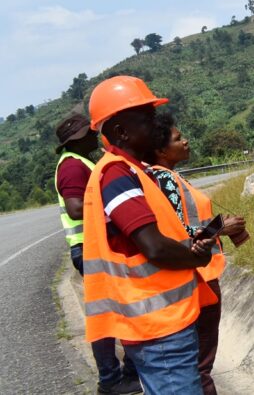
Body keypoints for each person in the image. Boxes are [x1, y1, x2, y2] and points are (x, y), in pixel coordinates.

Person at [83, 76, 215, 395]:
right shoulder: (116, 174)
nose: (156, 124)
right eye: (146, 117)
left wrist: (188, 241)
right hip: (159, 329)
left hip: (163, 323)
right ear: (121, 132)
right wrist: (197, 255)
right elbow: (153, 247)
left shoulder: (133, 171)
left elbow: (155, 238)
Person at [148, 112, 248, 395]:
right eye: (178, 139)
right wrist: (221, 228)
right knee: (200, 367)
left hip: (195, 275)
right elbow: (177, 231)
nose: (186, 141)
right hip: (198, 277)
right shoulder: (163, 179)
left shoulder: (163, 177)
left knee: (197, 365)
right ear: (160, 150)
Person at [54, 113, 142, 395]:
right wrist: (115, 205)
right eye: (88, 133)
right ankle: (112, 379)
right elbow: (76, 208)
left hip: (93, 246)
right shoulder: (72, 166)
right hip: (90, 247)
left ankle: (122, 376)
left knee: (113, 311)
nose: (94, 136)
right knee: (109, 314)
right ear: (77, 139)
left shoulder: (82, 162)